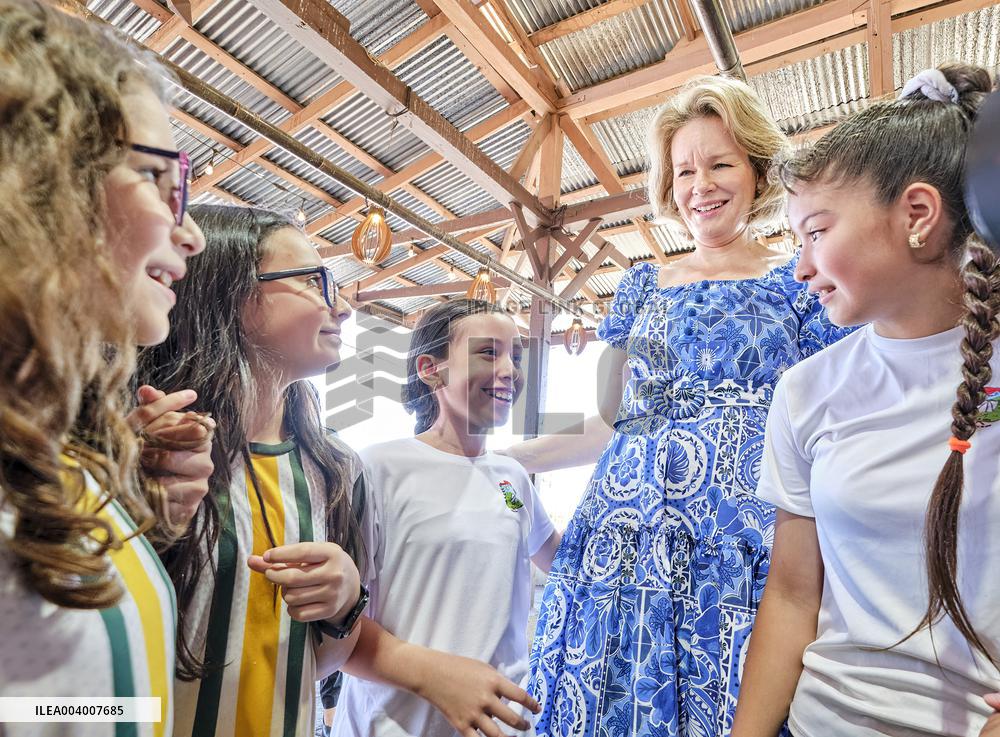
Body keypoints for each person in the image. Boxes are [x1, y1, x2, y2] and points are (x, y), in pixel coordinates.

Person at [512, 75, 853, 737]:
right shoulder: (640, 286)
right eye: (685, 169)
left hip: (749, 547)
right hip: (629, 541)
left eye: (721, 163)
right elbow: (611, 422)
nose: (703, 184)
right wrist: (508, 457)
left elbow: (831, 419)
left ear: (755, 170)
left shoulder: (798, 281)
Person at [137, 206, 541, 737]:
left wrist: (346, 603)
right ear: (228, 291)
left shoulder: (332, 470)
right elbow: (44, 701)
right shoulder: (143, 449)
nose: (344, 306)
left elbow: (312, 664)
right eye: (313, 280)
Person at [731, 64, 1000, 737]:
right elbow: (793, 593)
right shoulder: (806, 391)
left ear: (917, 216)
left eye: (816, 232)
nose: (800, 267)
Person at [0, 2, 207, 735]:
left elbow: (55, 704)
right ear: (40, 181)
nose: (194, 230)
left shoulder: (59, 456)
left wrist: (135, 507)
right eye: (161, 178)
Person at [331, 299, 561, 737]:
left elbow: (564, 561)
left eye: (515, 355)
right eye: (489, 353)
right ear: (429, 369)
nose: (510, 370)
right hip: (394, 725)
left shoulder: (512, 480)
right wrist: (436, 675)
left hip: (500, 726)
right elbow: (337, 623)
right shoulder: (378, 468)